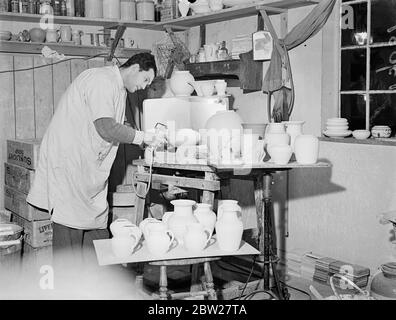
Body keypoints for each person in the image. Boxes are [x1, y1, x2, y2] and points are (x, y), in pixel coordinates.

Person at [27, 53, 165, 266]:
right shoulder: (101, 80)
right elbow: (106, 127)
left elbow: (115, 126)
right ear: (135, 68)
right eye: (145, 79)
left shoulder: (118, 88)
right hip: (69, 163)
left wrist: (138, 135)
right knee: (69, 227)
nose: (145, 86)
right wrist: (142, 138)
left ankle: (95, 285)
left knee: (97, 226)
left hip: (89, 166)